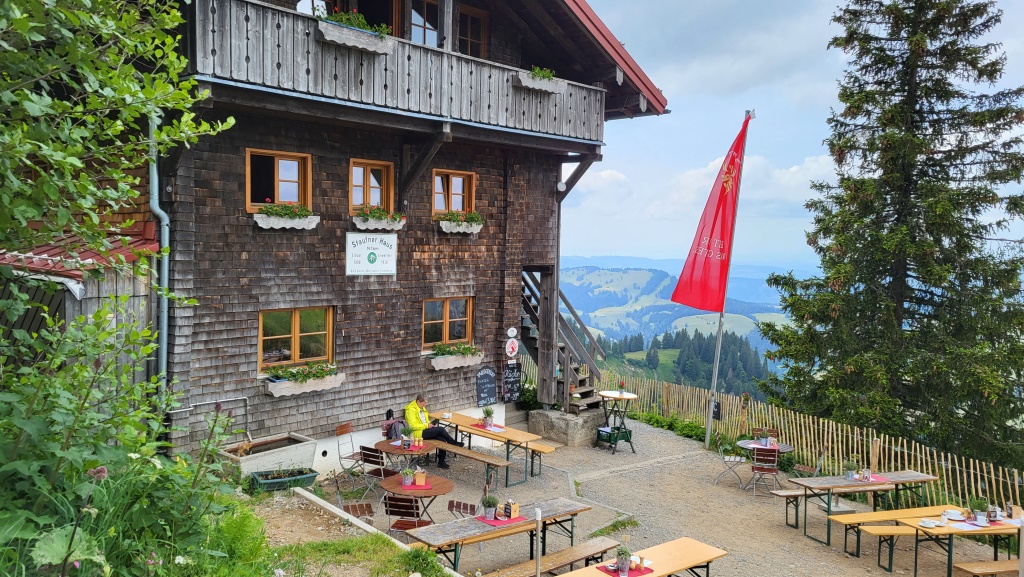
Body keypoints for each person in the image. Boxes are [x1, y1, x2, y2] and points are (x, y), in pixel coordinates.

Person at [404, 393, 463, 469]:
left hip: (426, 430)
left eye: (426, 403)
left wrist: (430, 424)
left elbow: (425, 420)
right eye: (423, 403)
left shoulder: (421, 408)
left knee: (442, 439)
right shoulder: (411, 411)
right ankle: (453, 442)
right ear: (418, 401)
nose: (425, 404)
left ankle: (441, 462)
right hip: (418, 434)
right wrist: (427, 425)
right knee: (441, 429)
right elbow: (412, 426)